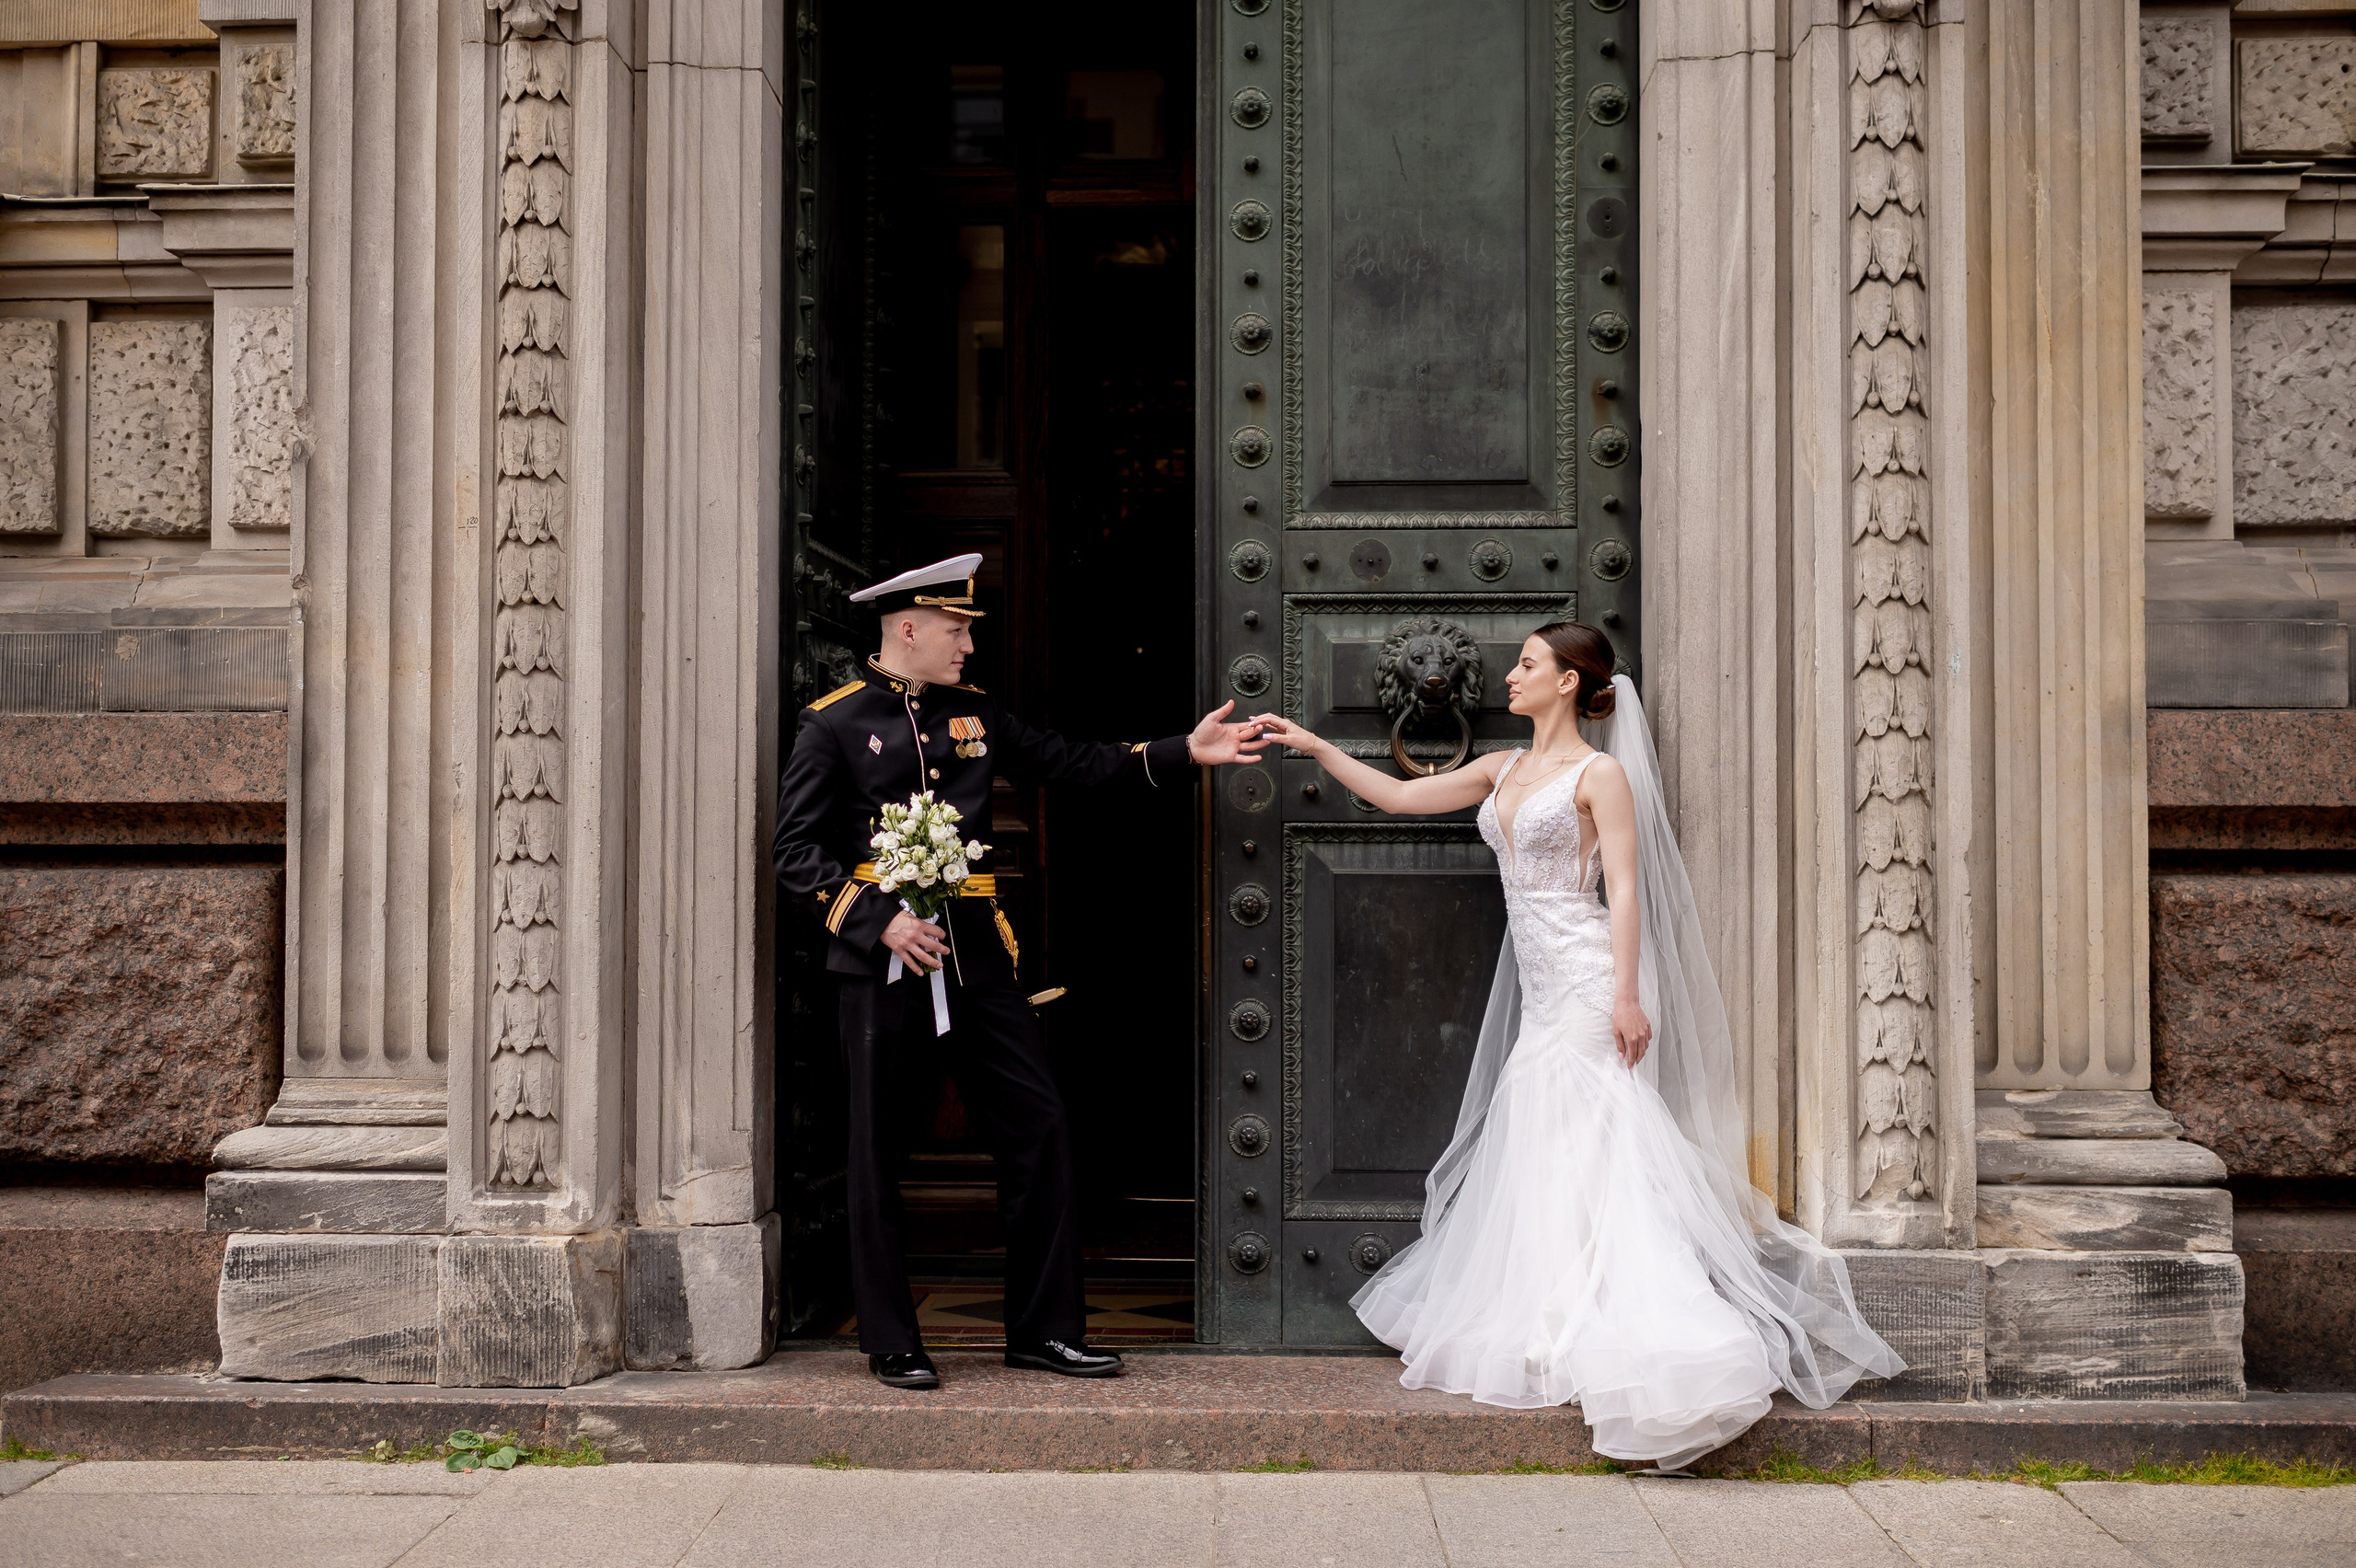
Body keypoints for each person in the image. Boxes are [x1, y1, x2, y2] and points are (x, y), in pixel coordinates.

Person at [1249, 621, 1902, 1471]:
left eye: (1525, 665)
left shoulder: (1603, 775)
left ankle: (1641, 1327)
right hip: (1546, 988)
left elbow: (1626, 889)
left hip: (1593, 984)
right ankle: (1555, 1316)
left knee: (1603, 1138)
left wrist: (1628, 994)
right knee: (1548, 1144)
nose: (1509, 678)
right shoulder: (1502, 769)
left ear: (1567, 682)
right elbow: (1401, 797)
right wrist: (1309, 744)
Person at [774, 554, 1267, 1390]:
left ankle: (1044, 1331)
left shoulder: (977, 715)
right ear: (908, 628)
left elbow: (1076, 764)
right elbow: (796, 854)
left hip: (975, 953)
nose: (968, 643)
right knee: (876, 1144)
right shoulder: (832, 723)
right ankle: (892, 1337)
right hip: (882, 961)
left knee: (1038, 1127)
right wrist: (879, 920)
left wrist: (1188, 749)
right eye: (957, 628)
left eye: (968, 629)